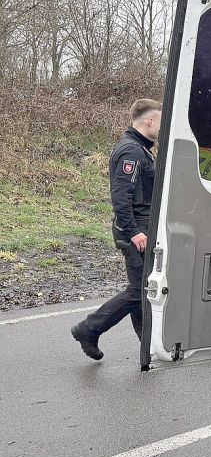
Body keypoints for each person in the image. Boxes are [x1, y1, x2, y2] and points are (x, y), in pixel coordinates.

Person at [71, 99, 161, 360]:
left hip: (142, 229)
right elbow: (121, 196)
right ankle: (88, 329)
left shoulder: (142, 149)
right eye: (161, 121)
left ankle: (149, 345)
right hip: (134, 232)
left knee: (142, 288)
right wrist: (133, 231)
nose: (162, 127)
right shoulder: (131, 152)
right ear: (149, 121)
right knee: (139, 290)